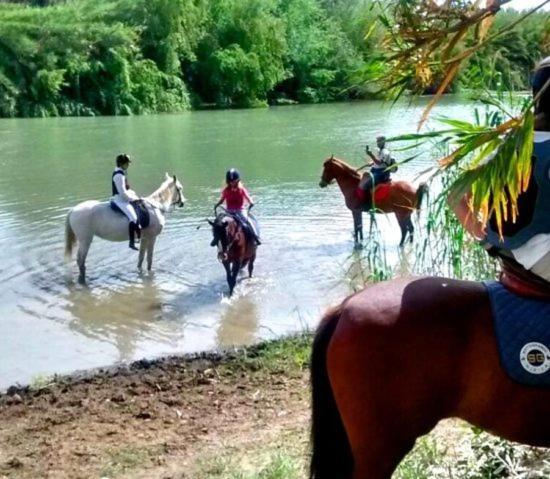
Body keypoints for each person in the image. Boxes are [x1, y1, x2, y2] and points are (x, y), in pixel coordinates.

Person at [452, 56, 550, 293]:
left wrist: (485, 240)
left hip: (512, 251)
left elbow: (455, 195)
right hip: (542, 254)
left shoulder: (511, 142)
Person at [213, 168, 261, 246]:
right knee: (220, 224)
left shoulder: (242, 189)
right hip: (229, 211)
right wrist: (217, 205)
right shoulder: (226, 190)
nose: (232, 183)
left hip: (240, 210)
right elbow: (222, 200)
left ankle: (255, 238)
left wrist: (251, 202)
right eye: (230, 181)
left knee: (246, 222)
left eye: (234, 181)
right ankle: (216, 239)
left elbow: (248, 197)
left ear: (238, 181)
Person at [111, 153, 141, 251]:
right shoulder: (119, 176)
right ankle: (131, 242)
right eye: (127, 163)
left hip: (122, 198)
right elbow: (122, 193)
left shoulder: (121, 172)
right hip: (120, 200)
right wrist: (133, 199)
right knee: (133, 218)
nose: (128, 165)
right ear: (121, 164)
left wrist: (133, 194)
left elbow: (126, 190)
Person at [358, 134, 397, 204]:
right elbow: (376, 161)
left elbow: (379, 163)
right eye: (377, 141)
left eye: (379, 141)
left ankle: (366, 204)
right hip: (375, 170)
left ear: (383, 141)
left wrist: (370, 155)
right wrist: (372, 162)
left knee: (366, 185)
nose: (377, 143)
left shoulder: (385, 152)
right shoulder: (379, 150)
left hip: (382, 173)